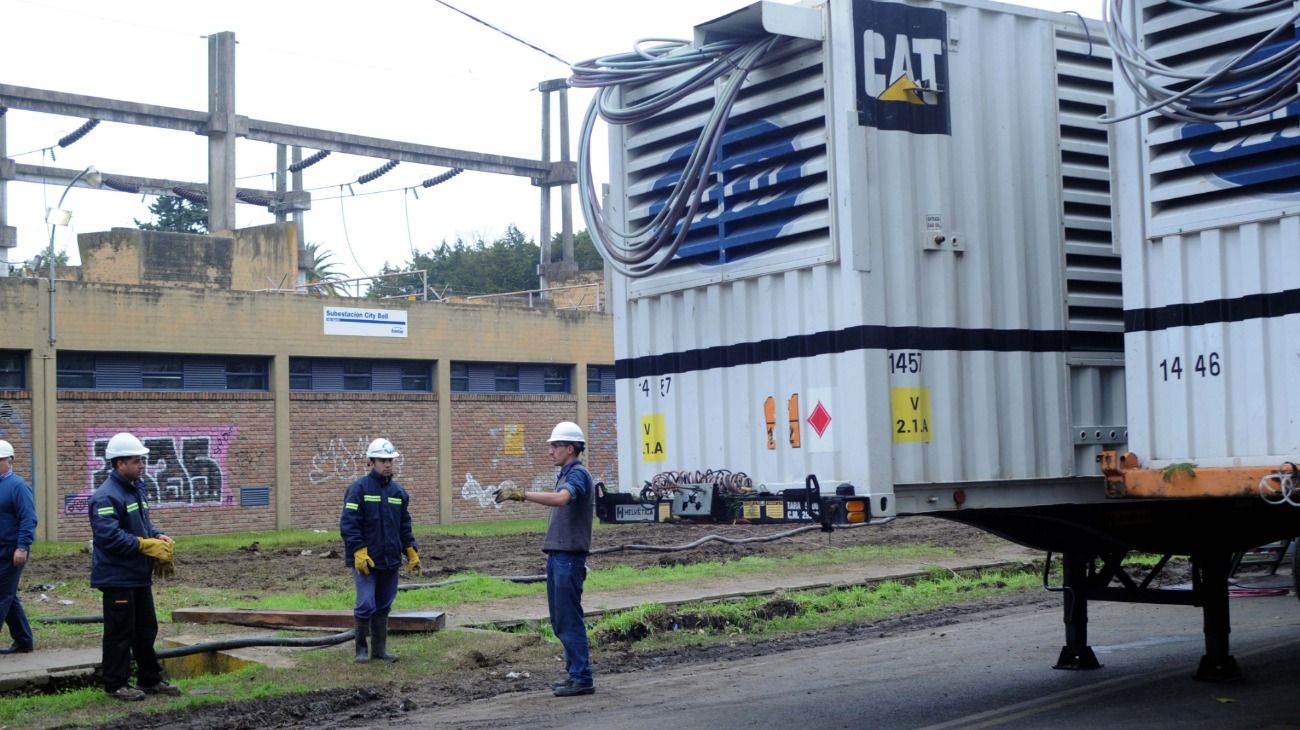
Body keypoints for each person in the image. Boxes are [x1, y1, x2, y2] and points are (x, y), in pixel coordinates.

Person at [495, 421, 595, 697]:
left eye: (555, 445)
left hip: (568, 559)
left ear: (570, 449)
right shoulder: (566, 473)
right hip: (559, 557)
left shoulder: (577, 475)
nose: (550, 451)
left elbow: (563, 499)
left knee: (568, 619)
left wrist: (523, 495)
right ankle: (576, 674)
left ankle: (581, 677)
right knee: (561, 619)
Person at [89, 432, 182, 701]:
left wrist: (157, 535)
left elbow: (141, 525)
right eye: (136, 461)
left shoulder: (135, 489)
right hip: (117, 577)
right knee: (120, 633)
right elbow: (108, 537)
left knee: (146, 629)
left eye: (142, 460)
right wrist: (143, 546)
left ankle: (149, 680)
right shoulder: (105, 497)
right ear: (120, 464)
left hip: (138, 575)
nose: (142, 465)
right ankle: (115, 684)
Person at [340, 438, 419, 664]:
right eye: (383, 460)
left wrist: (411, 551)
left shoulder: (399, 493)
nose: (387, 465)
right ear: (371, 462)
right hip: (366, 560)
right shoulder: (358, 490)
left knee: (384, 605)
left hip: (390, 560)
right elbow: (349, 524)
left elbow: (404, 526)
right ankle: (361, 650)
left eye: (390, 460)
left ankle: (379, 650)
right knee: (366, 603)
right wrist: (358, 550)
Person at [0, 439, 36, 655]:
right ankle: (23, 641)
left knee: (1, 595)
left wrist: (22, 547)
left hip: (12, 550)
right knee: (9, 596)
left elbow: (29, 519)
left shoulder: (19, 486)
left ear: (10, 461)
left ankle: (23, 640)